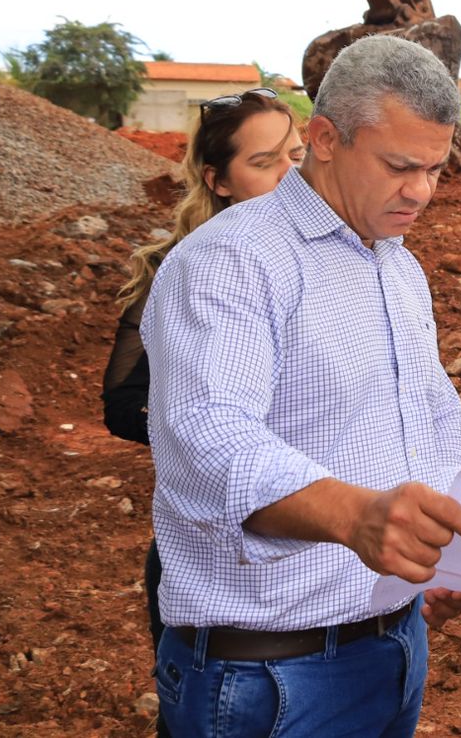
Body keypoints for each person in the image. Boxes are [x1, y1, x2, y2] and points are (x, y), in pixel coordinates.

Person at [143, 36, 461, 738]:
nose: (421, 191)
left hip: (394, 645)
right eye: (400, 167)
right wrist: (355, 517)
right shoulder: (230, 259)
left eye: (433, 169)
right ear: (325, 139)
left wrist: (449, 549)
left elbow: (424, 423)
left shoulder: (396, 264)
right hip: (271, 679)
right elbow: (208, 439)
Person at [103, 87, 304, 738]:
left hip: (314, 550)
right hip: (210, 551)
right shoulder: (179, 267)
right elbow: (122, 402)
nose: (289, 175)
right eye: (265, 162)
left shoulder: (332, 256)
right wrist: (207, 431)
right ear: (217, 181)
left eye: (297, 156)